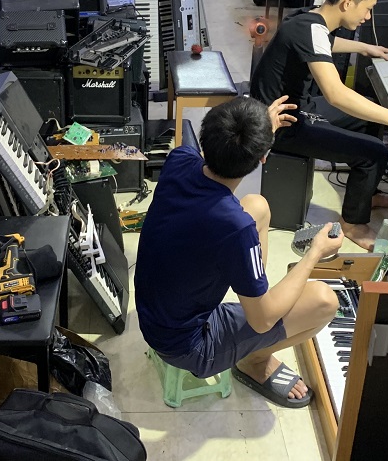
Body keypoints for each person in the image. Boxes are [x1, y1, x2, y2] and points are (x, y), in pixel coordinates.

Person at [135, 97, 342, 408]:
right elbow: (262, 322)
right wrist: (314, 253)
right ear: (263, 158)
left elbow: (214, 154)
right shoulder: (235, 228)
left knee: (257, 206)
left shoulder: (179, 160)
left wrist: (259, 130)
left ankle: (253, 292)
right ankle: (254, 361)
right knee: (325, 301)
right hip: (189, 346)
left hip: (154, 313)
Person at [250, 0, 388, 251]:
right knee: (373, 152)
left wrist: (364, 48)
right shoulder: (309, 29)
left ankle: (364, 196)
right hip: (281, 123)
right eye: (367, 9)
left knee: (370, 118)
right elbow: (336, 95)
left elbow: (324, 42)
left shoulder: (309, 19)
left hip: (296, 105)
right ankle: (353, 223)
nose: (368, 17)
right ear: (348, 3)